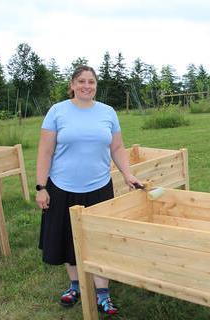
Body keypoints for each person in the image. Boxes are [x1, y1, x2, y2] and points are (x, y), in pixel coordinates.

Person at [35, 65, 142, 315]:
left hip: (99, 188)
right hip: (62, 188)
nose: (86, 86)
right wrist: (41, 187)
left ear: (96, 85)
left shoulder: (108, 112)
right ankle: (76, 286)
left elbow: (117, 148)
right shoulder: (57, 112)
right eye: (81, 81)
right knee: (67, 239)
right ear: (72, 84)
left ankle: (103, 293)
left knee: (100, 240)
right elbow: (45, 151)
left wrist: (128, 174)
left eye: (91, 82)